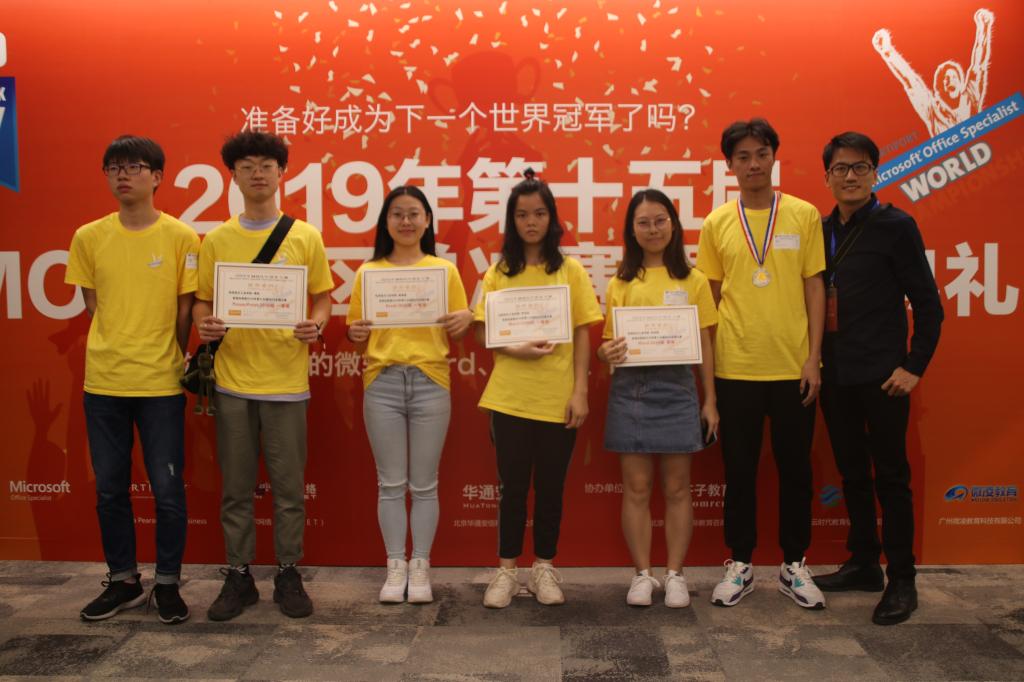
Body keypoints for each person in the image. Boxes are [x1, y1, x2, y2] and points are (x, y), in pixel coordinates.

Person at [193, 132, 334, 621]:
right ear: (232, 175)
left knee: (289, 489)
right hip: (232, 382)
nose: (258, 173)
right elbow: (202, 302)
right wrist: (205, 324)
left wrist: (316, 324)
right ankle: (239, 576)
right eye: (247, 165)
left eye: (267, 165)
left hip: (287, 382)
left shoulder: (305, 236)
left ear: (281, 173)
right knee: (235, 488)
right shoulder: (217, 239)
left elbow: (323, 298)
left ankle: (288, 572)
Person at [696, 118, 827, 610]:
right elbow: (709, 301)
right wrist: (709, 384)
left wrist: (813, 358)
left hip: (794, 368)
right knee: (739, 472)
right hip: (736, 368)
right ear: (729, 165)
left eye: (761, 154)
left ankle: (794, 564)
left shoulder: (803, 215)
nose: (753, 164)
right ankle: (741, 563)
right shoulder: (716, 223)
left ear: (774, 156)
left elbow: (815, 286)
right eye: (743, 157)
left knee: (796, 471)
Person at [66, 135, 198, 624]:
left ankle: (168, 584)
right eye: (113, 167)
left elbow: (185, 309)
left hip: (160, 383)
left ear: (157, 176)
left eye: (134, 166)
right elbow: (93, 304)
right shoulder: (88, 236)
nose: (122, 175)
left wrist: (169, 354)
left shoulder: (181, 237)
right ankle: (122, 580)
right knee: (109, 489)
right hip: (104, 382)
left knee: (168, 491)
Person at [814, 132, 943, 625]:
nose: (850, 176)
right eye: (841, 168)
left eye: (860, 167)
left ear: (875, 173)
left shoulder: (896, 226)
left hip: (885, 376)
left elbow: (929, 306)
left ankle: (902, 579)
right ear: (827, 176)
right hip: (835, 375)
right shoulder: (819, 230)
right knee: (852, 474)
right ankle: (864, 563)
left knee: (891, 476)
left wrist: (913, 366)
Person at [473, 170, 603, 608]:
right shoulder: (498, 272)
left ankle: (544, 566)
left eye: (540, 213)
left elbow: (583, 332)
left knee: (550, 489)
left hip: (556, 398)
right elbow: (482, 331)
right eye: (523, 215)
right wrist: (517, 348)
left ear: (552, 218)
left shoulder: (570, 270)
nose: (531, 222)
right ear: (512, 220)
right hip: (509, 398)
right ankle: (507, 570)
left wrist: (580, 391)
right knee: (511, 489)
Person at [346, 186, 473, 604]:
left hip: (430, 380)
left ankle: (420, 565)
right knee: (389, 484)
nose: (405, 221)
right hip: (381, 382)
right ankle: (395, 564)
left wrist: (466, 318)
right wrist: (355, 333)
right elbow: (357, 333)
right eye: (397, 214)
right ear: (386, 222)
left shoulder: (444, 271)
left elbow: (459, 330)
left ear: (427, 220)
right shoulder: (368, 273)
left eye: (413, 214)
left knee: (424, 484)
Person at [598, 189, 719, 608]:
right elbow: (609, 343)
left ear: (674, 225)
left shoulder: (693, 280)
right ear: (632, 230)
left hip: (678, 390)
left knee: (677, 487)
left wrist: (710, 400)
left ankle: (675, 574)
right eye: (644, 223)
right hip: (631, 390)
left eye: (660, 220)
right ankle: (642, 575)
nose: (653, 229)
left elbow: (705, 343)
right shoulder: (621, 282)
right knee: (636, 487)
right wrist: (605, 353)